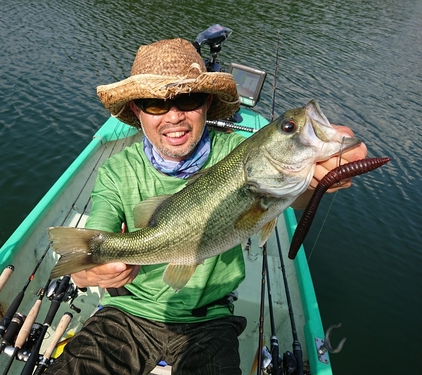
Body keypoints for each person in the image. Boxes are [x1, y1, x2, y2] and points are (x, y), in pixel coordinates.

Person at [46, 38, 368, 375]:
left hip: (211, 320)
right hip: (126, 311)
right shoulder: (116, 171)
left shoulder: (237, 150)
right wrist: (91, 272)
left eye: (189, 99)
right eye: (154, 104)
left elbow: (296, 195)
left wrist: (327, 173)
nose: (174, 116)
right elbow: (90, 252)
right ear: (136, 111)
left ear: (207, 102)